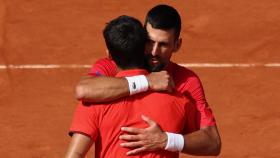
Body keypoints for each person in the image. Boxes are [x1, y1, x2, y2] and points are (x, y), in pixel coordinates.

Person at [75, 4, 221, 156]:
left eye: (163, 44)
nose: (154, 52)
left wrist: (167, 140)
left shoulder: (187, 81)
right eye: (150, 41)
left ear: (177, 45)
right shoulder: (114, 65)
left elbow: (213, 142)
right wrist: (147, 81)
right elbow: (84, 89)